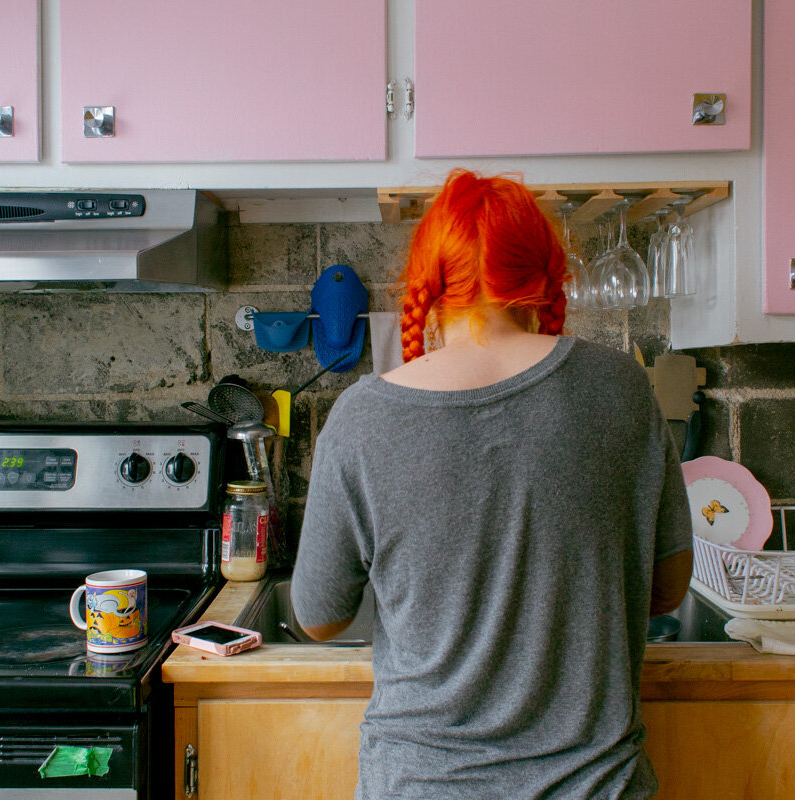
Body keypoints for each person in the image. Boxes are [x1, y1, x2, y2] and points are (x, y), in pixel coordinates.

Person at [290, 169, 693, 799]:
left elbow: (318, 617)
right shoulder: (621, 388)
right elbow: (666, 591)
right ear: (542, 273)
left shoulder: (363, 417)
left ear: (428, 281)